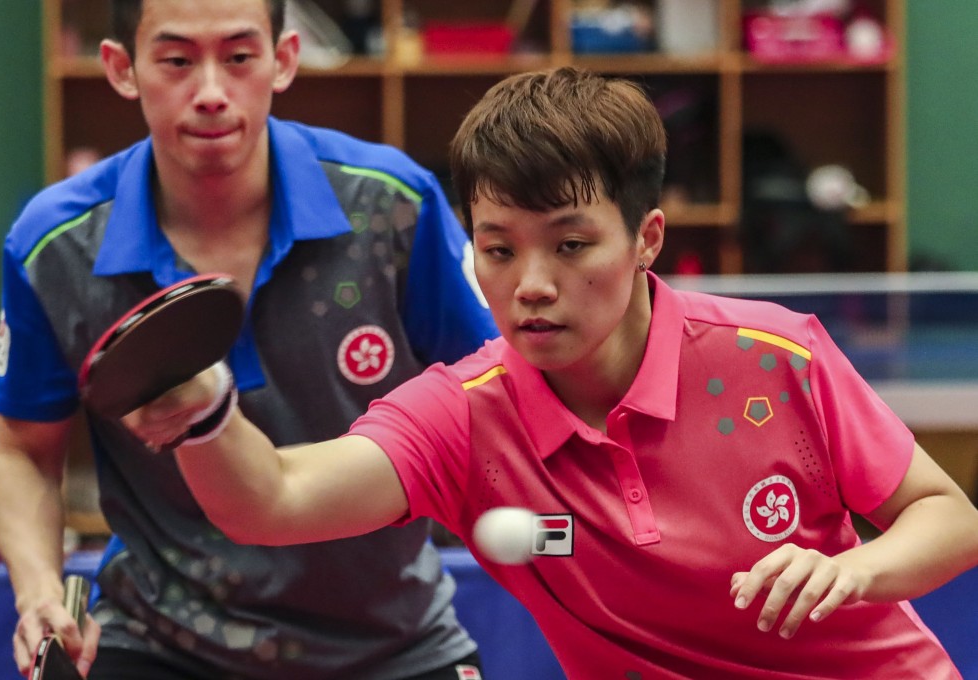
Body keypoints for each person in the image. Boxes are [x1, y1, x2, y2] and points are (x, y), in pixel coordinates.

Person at [125, 65, 978, 679]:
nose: (531, 285)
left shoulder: (774, 356)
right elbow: (271, 500)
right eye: (498, 250)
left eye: (571, 246)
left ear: (646, 239)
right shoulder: (464, 418)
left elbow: (947, 516)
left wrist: (852, 571)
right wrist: (204, 413)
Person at [0, 0, 498, 678]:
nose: (210, 94)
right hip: (161, 641)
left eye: (238, 57)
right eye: (175, 60)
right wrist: (40, 591)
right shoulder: (54, 245)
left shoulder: (393, 205)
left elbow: (492, 392)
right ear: (122, 68)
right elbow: (21, 451)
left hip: (393, 643)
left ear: (283, 59)